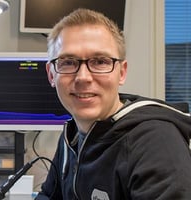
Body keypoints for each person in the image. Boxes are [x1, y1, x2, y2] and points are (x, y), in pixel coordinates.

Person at [35, 8, 191, 200]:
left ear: (122, 73)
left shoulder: (156, 141)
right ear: (51, 74)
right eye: (68, 62)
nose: (83, 77)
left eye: (100, 61)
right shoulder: (73, 136)